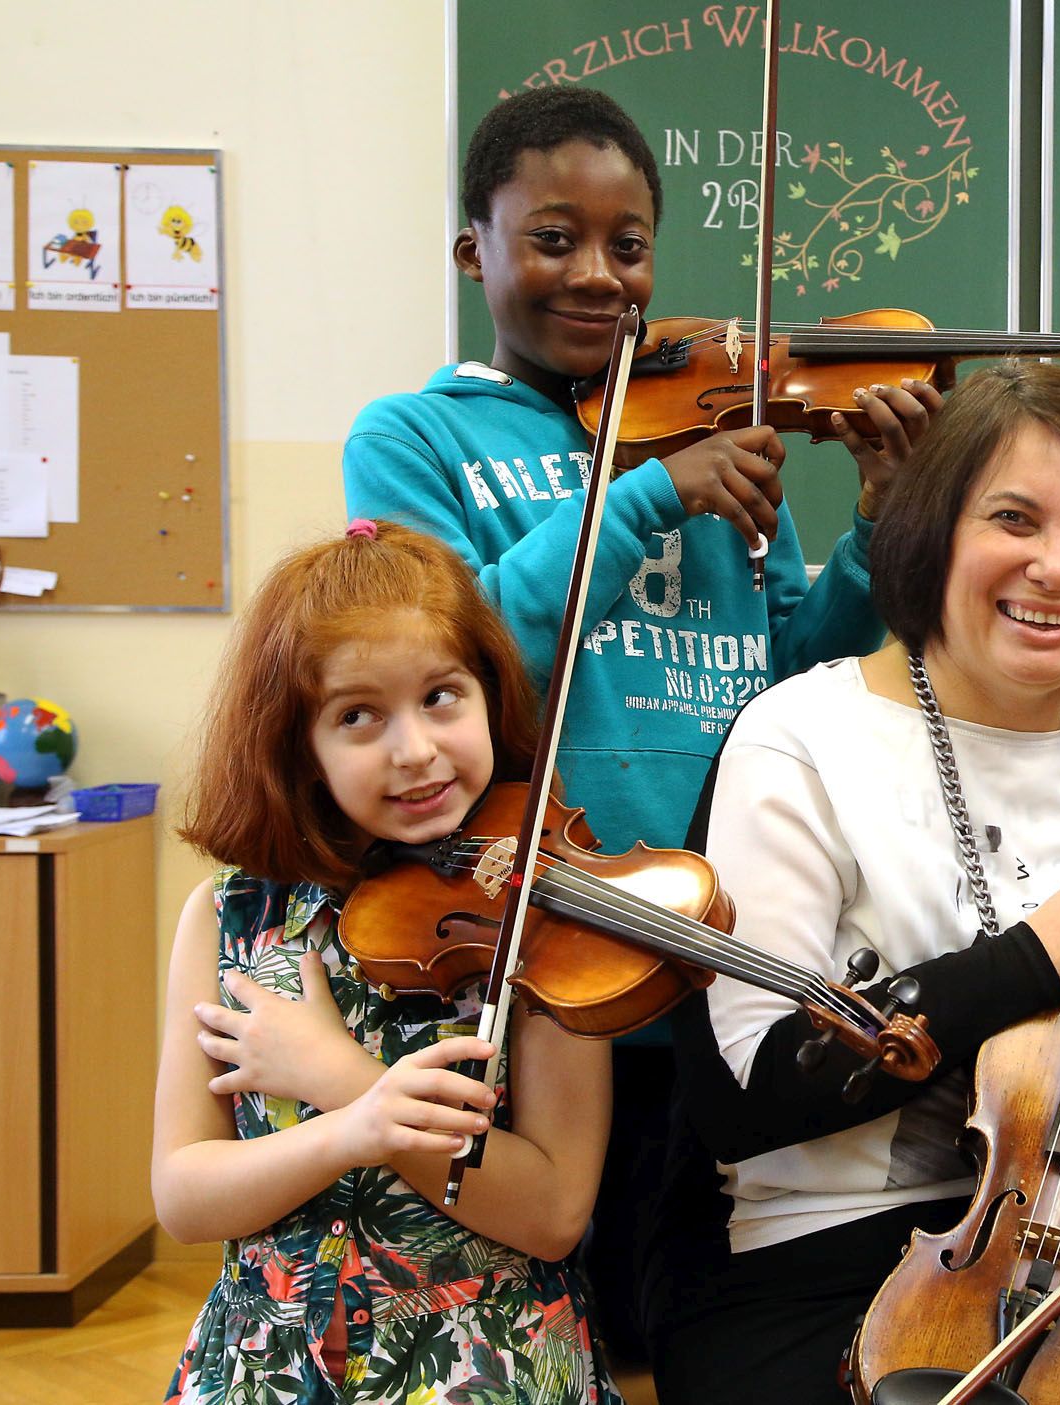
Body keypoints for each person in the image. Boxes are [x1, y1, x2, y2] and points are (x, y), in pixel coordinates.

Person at [341, 84, 942, 1350]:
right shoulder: (412, 439)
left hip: (717, 933)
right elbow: (459, 650)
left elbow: (798, 675)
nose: (599, 277)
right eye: (552, 237)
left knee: (682, 1308)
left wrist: (873, 518)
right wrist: (643, 499)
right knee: (552, 1301)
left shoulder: (713, 421)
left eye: (628, 245)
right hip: (539, 945)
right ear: (475, 252)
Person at [650, 361, 1060, 1404]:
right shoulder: (795, 739)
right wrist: (1028, 962)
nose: (1055, 566)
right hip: (811, 1258)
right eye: (1013, 519)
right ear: (931, 530)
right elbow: (748, 1096)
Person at [154, 521, 620, 1404]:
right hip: (267, 1366)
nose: (413, 749)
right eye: (357, 715)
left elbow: (556, 1213)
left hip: (489, 1363)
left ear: (490, 695)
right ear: (301, 745)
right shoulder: (229, 917)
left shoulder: (540, 912)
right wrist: (352, 1126)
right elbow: (182, 1193)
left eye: (442, 696)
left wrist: (342, 1076)